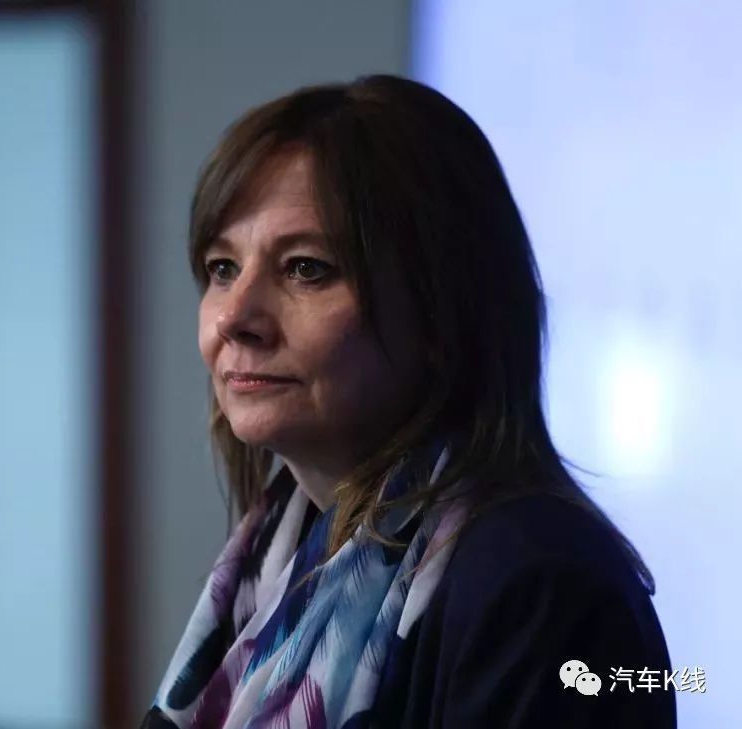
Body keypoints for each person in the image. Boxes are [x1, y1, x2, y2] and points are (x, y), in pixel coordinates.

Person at [142, 75, 675, 728]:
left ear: (442, 312)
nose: (234, 317)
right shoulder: (274, 559)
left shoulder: (541, 587)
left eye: (306, 267)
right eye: (222, 268)